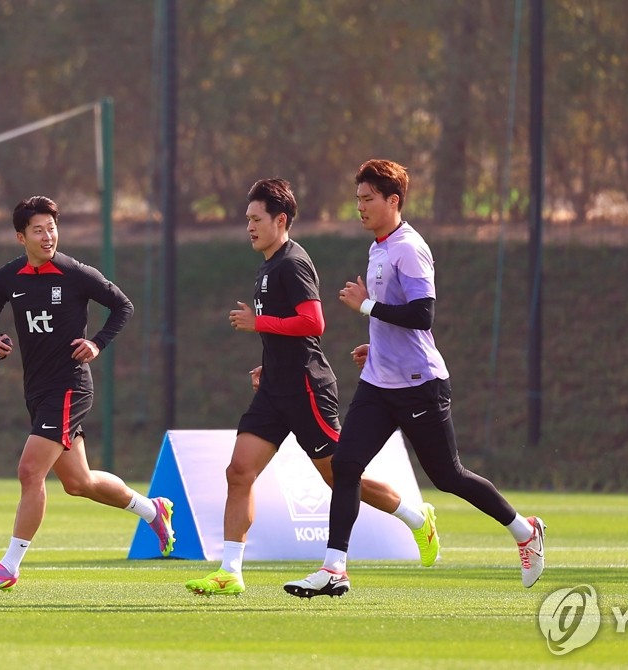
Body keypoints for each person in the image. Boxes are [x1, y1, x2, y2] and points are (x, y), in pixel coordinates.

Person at [284, 160, 546, 598]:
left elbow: (423, 315)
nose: (360, 207)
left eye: (368, 199)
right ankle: (334, 569)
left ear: (394, 201)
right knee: (346, 465)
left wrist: (367, 309)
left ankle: (524, 529)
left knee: (448, 476)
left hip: (420, 384)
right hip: (378, 383)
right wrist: (377, 342)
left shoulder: (409, 247)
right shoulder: (378, 247)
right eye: (358, 199)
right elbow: (396, 316)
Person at [185, 178, 440, 597]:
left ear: (280, 220)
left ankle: (416, 517)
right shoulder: (267, 265)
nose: (249, 227)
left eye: (256, 219)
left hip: (306, 387)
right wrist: (267, 365)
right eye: (246, 219)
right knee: (239, 472)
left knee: (338, 475)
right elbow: (287, 334)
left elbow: (313, 323)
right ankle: (230, 571)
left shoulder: (293, 263)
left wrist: (259, 323)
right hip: (275, 390)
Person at [0, 195, 174, 590]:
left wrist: (97, 343)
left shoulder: (75, 273)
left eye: (52, 228)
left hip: (69, 387)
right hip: (37, 390)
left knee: (30, 471)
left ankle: (10, 566)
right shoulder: (8, 277)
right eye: (38, 230)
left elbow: (123, 306)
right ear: (20, 237)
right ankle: (153, 510)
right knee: (78, 482)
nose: (48, 237)